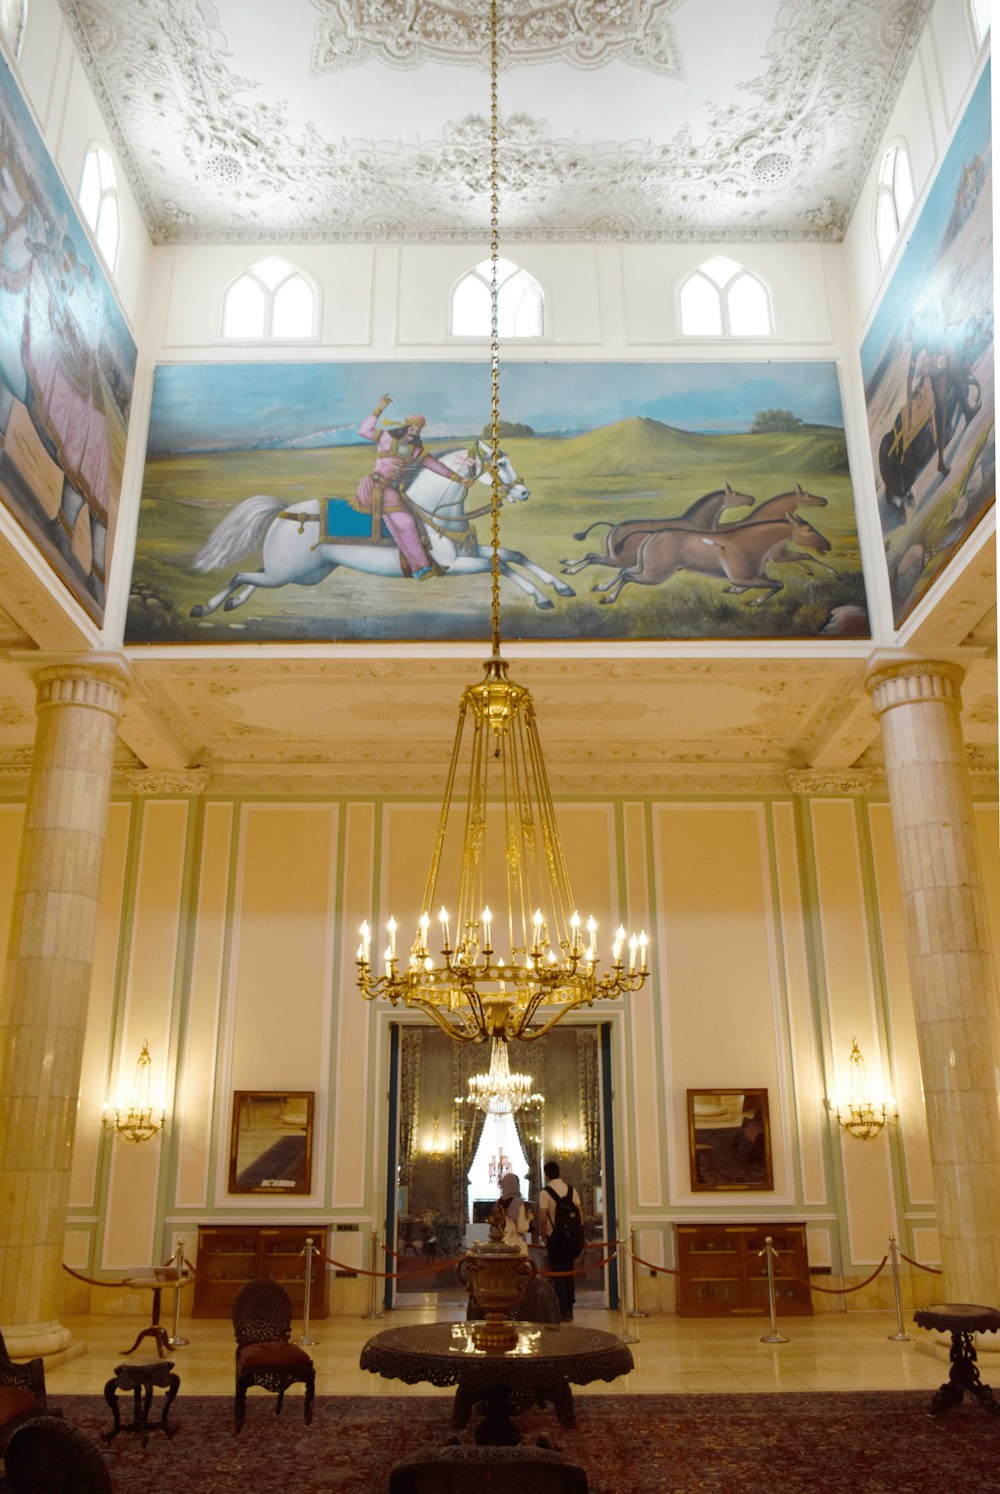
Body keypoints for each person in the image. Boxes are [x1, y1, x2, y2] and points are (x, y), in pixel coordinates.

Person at [344, 393, 475, 579]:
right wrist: (381, 407)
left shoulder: (416, 451)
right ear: (406, 427)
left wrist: (459, 479)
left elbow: (435, 465)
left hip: (392, 490)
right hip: (374, 487)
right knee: (405, 522)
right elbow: (363, 431)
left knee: (414, 516)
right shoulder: (386, 438)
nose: (415, 431)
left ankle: (419, 563)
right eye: (413, 427)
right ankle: (420, 567)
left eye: (418, 429)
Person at [538, 1160, 583, 1321]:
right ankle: (569, 1307)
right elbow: (580, 1214)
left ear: (547, 1174)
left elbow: (543, 1217)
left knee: (557, 1273)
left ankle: (560, 1308)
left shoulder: (545, 1193)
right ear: (559, 1172)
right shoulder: (571, 1190)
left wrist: (544, 1235)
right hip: (571, 1238)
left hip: (555, 1238)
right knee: (569, 1272)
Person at [498, 1172, 532, 1256]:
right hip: (516, 1247)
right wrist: (529, 1219)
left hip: (500, 1245)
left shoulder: (498, 1203)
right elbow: (521, 1228)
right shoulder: (518, 1202)